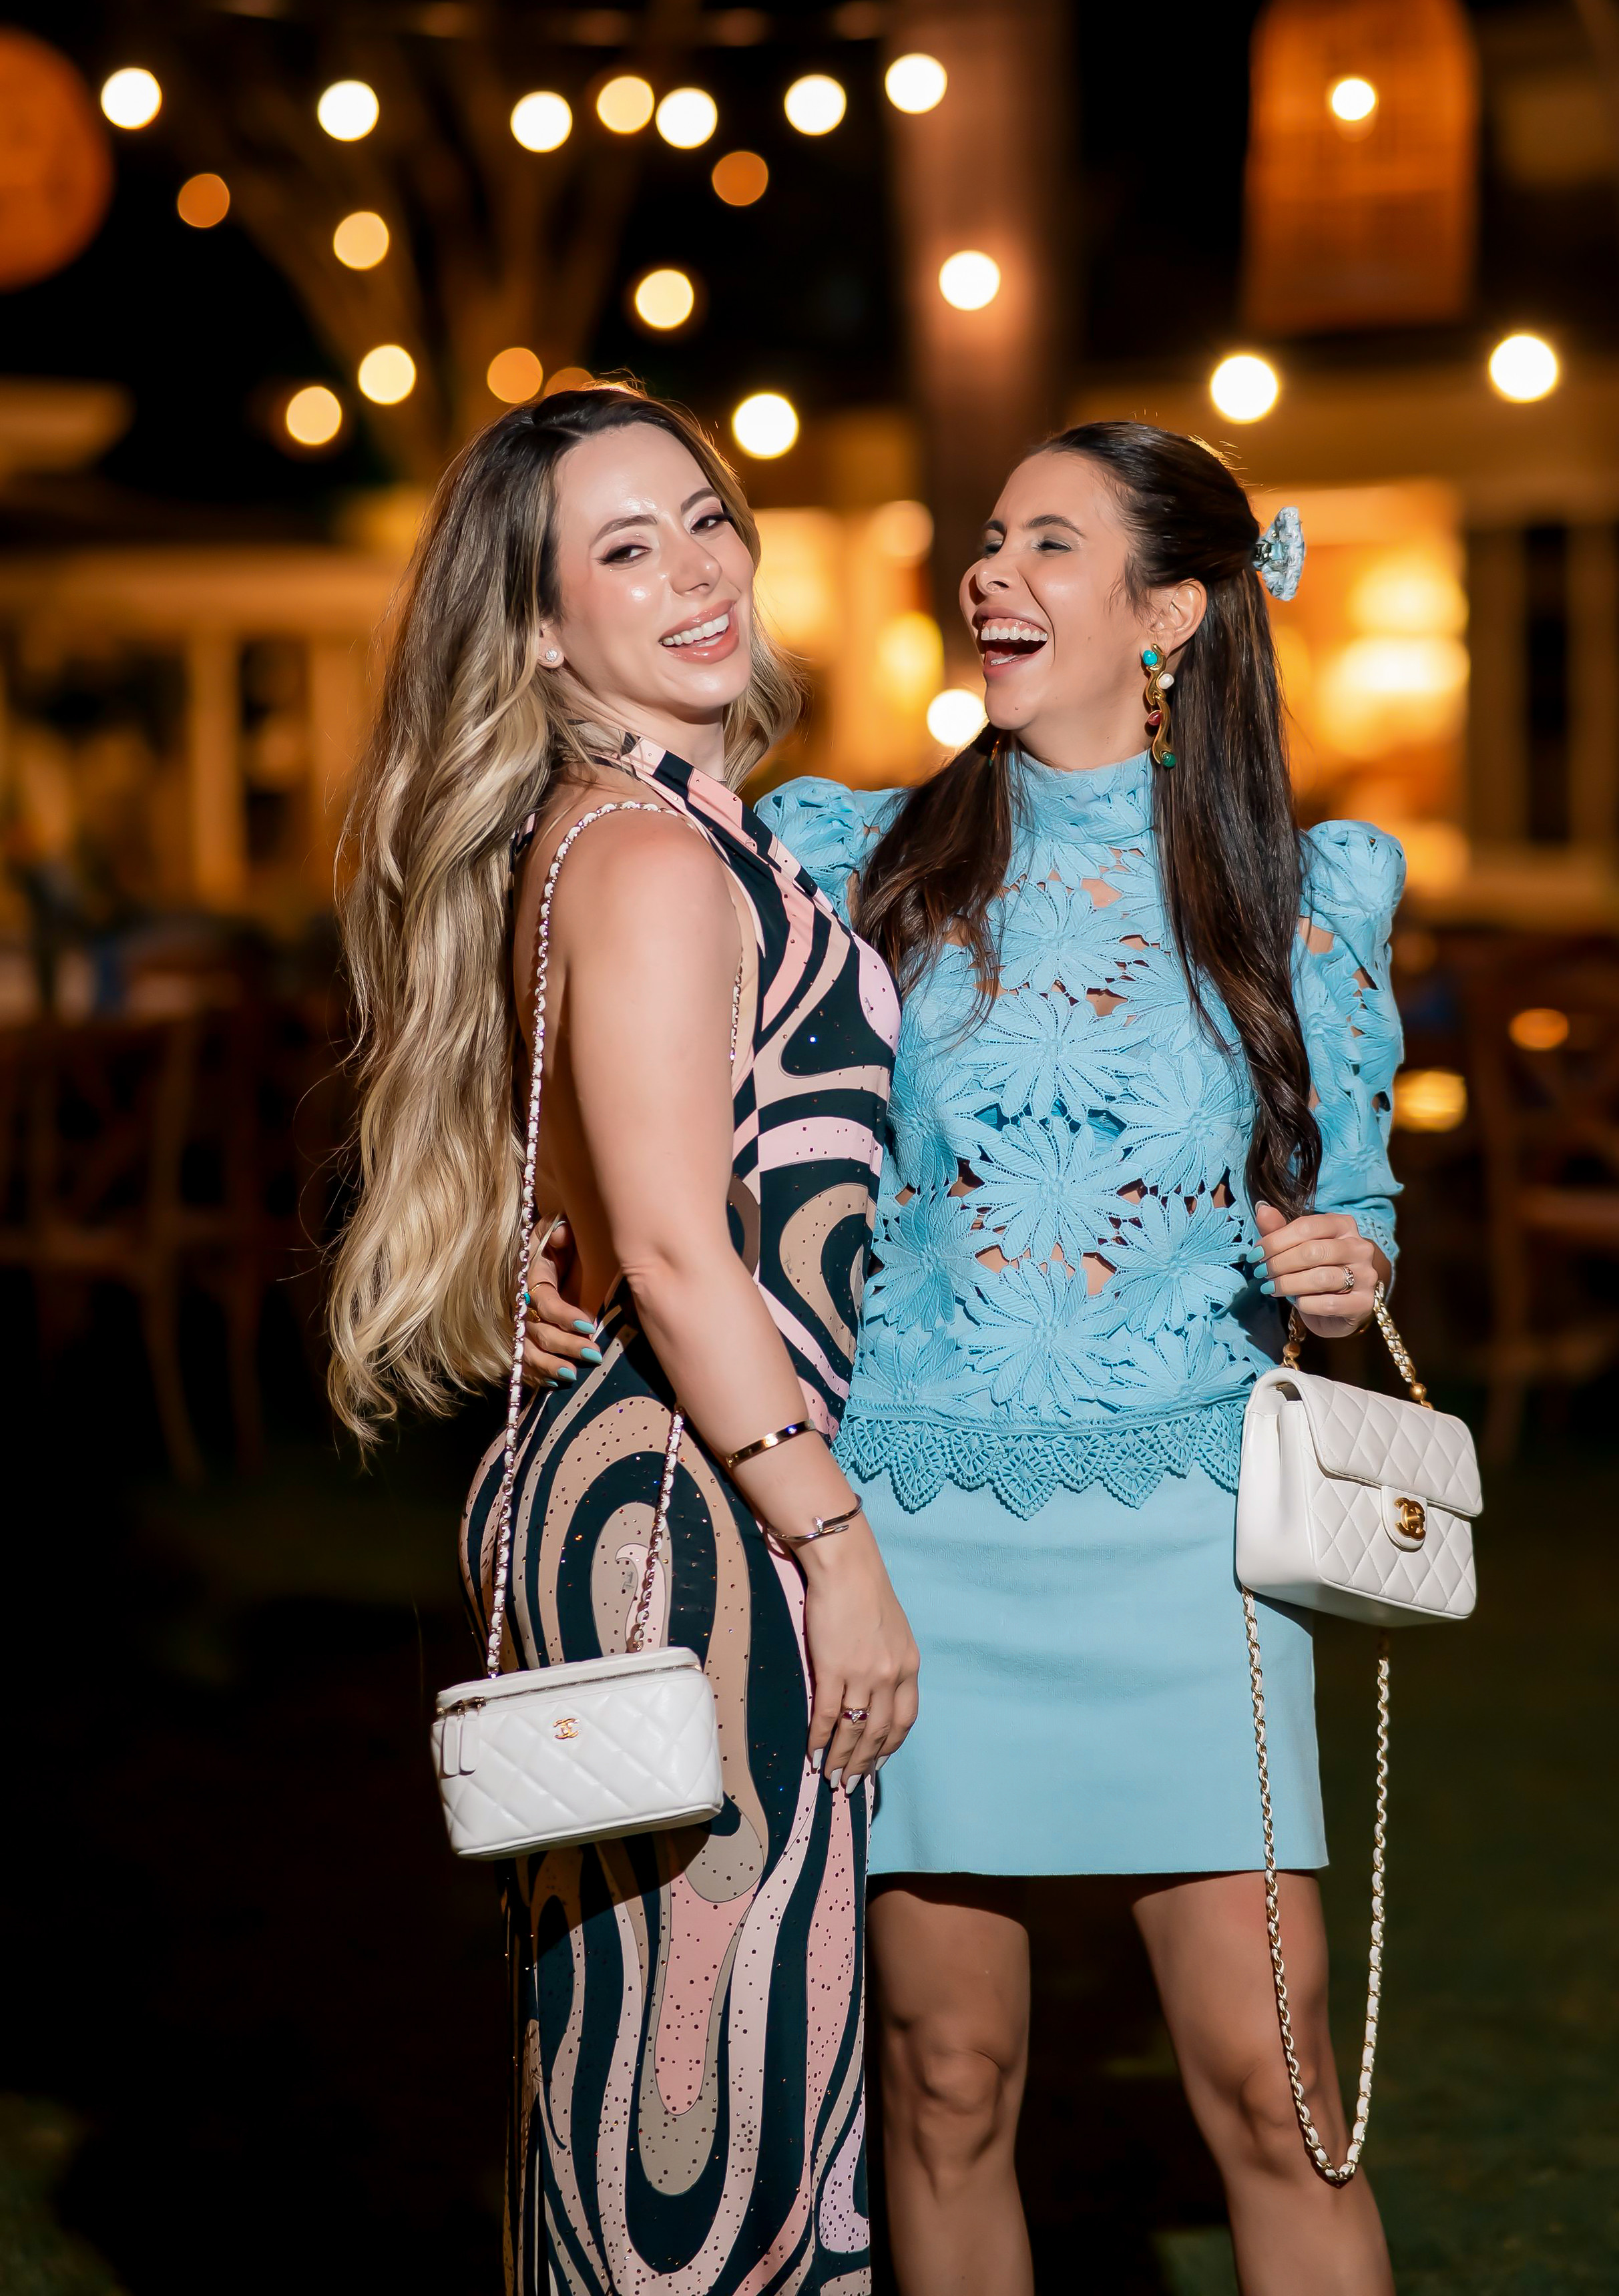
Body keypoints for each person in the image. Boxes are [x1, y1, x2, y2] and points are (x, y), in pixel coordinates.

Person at [764, 421, 1404, 2296]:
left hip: (1194, 1546)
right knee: (944, 2081)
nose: (992, 572)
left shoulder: (1304, 890)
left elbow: (1356, 1204)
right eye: (990, 537)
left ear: (1171, 613)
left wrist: (1345, 1270)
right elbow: (691, 1110)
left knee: (1277, 2093)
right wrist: (559, 1242)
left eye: (1050, 542)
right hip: (914, 1537)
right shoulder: (855, 858)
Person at [326, 381, 919, 2295]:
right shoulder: (651, 858)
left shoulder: (625, 832)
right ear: (536, 626)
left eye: (707, 520)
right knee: (704, 2109)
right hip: (707, 1519)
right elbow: (671, 1246)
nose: (697, 574)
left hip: (647, 1485)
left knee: (633, 2059)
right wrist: (835, 1545)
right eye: (626, 550)